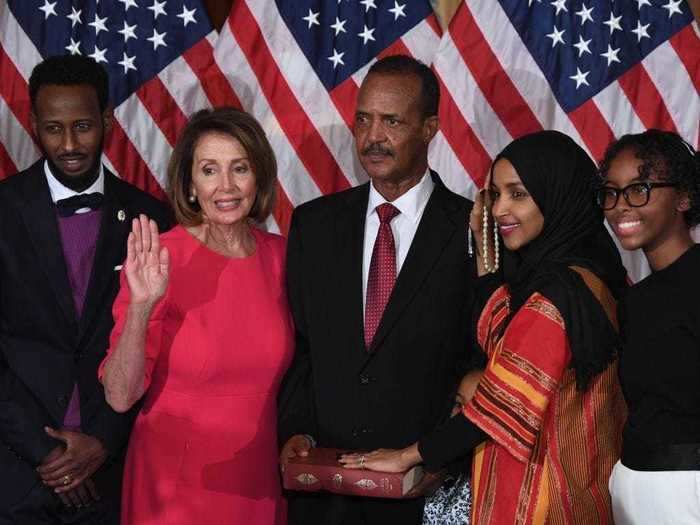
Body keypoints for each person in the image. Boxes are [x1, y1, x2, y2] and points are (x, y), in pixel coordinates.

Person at [342, 130, 628, 524]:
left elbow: (497, 405)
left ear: (556, 193)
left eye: (518, 194)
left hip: (544, 502)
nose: (499, 209)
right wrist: (484, 246)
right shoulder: (585, 278)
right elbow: (504, 339)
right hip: (579, 491)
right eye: (494, 195)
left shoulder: (557, 295)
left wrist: (407, 456)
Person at [278, 54, 477, 524]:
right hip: (324, 496)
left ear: (430, 128)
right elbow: (302, 347)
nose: (372, 137)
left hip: (425, 491)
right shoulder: (314, 224)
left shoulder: (473, 228)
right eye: (364, 119)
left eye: (392, 121)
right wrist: (297, 430)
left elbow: (481, 361)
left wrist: (441, 457)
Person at [99, 107, 293, 524]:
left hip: (256, 487)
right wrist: (141, 307)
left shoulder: (283, 257)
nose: (226, 186)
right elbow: (119, 396)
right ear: (189, 185)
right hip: (173, 493)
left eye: (239, 168)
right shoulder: (160, 257)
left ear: (258, 175)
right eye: (209, 170)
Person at [0, 55, 170, 524]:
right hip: (17, 474)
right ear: (33, 124)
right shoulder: (4, 210)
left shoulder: (151, 217)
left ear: (108, 122)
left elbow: (158, 348)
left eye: (83, 126)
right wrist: (47, 453)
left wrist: (102, 442)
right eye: (54, 128)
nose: (70, 143)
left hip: (112, 473)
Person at [597, 130, 700, 524]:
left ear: (685, 196)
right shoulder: (635, 299)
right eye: (611, 192)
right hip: (633, 485)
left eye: (639, 189)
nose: (620, 206)